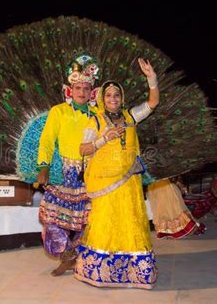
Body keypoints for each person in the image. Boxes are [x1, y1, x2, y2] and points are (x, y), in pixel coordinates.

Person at [74, 58, 158, 289]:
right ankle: (101, 271)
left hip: (129, 181)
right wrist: (104, 139)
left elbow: (152, 102)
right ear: (102, 99)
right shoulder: (96, 120)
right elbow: (84, 149)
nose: (113, 99)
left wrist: (151, 78)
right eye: (109, 96)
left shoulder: (131, 117)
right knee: (106, 221)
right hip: (105, 182)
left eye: (117, 96)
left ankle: (135, 271)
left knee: (130, 219)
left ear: (122, 99)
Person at [37, 54, 99, 276]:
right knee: (54, 220)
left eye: (85, 88)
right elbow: (46, 140)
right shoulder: (58, 112)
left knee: (86, 222)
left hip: (90, 174)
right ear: (69, 90)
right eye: (77, 88)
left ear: (92, 91)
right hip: (63, 173)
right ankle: (66, 258)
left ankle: (79, 258)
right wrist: (43, 166)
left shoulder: (98, 114)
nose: (81, 92)